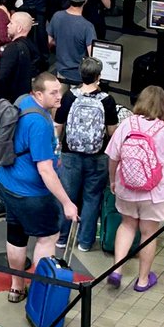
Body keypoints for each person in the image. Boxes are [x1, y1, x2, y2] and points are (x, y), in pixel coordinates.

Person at [0, 73, 79, 303]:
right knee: (47, 236)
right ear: (39, 94)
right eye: (53, 92)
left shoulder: (23, 100)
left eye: (59, 90)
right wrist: (66, 203)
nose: (59, 96)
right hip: (31, 193)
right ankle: (41, 290)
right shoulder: (40, 124)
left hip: (6, 181)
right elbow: (46, 170)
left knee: (16, 232)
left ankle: (16, 286)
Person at [104, 86, 164, 291]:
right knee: (148, 233)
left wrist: (113, 180)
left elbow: (113, 156)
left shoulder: (127, 124)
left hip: (126, 186)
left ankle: (117, 270)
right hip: (153, 192)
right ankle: (142, 280)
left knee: (127, 225)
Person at [56, 57, 119, 253]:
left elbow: (58, 124)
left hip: (70, 155)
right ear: (98, 77)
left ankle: (62, 238)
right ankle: (85, 241)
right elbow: (112, 132)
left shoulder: (69, 97)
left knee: (67, 196)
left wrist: (58, 144)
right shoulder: (107, 101)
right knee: (92, 198)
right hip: (97, 157)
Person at [48, 0, 96, 86]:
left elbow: (49, 42)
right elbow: (92, 55)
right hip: (78, 76)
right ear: (85, 0)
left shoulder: (57, 16)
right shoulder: (87, 26)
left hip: (61, 72)